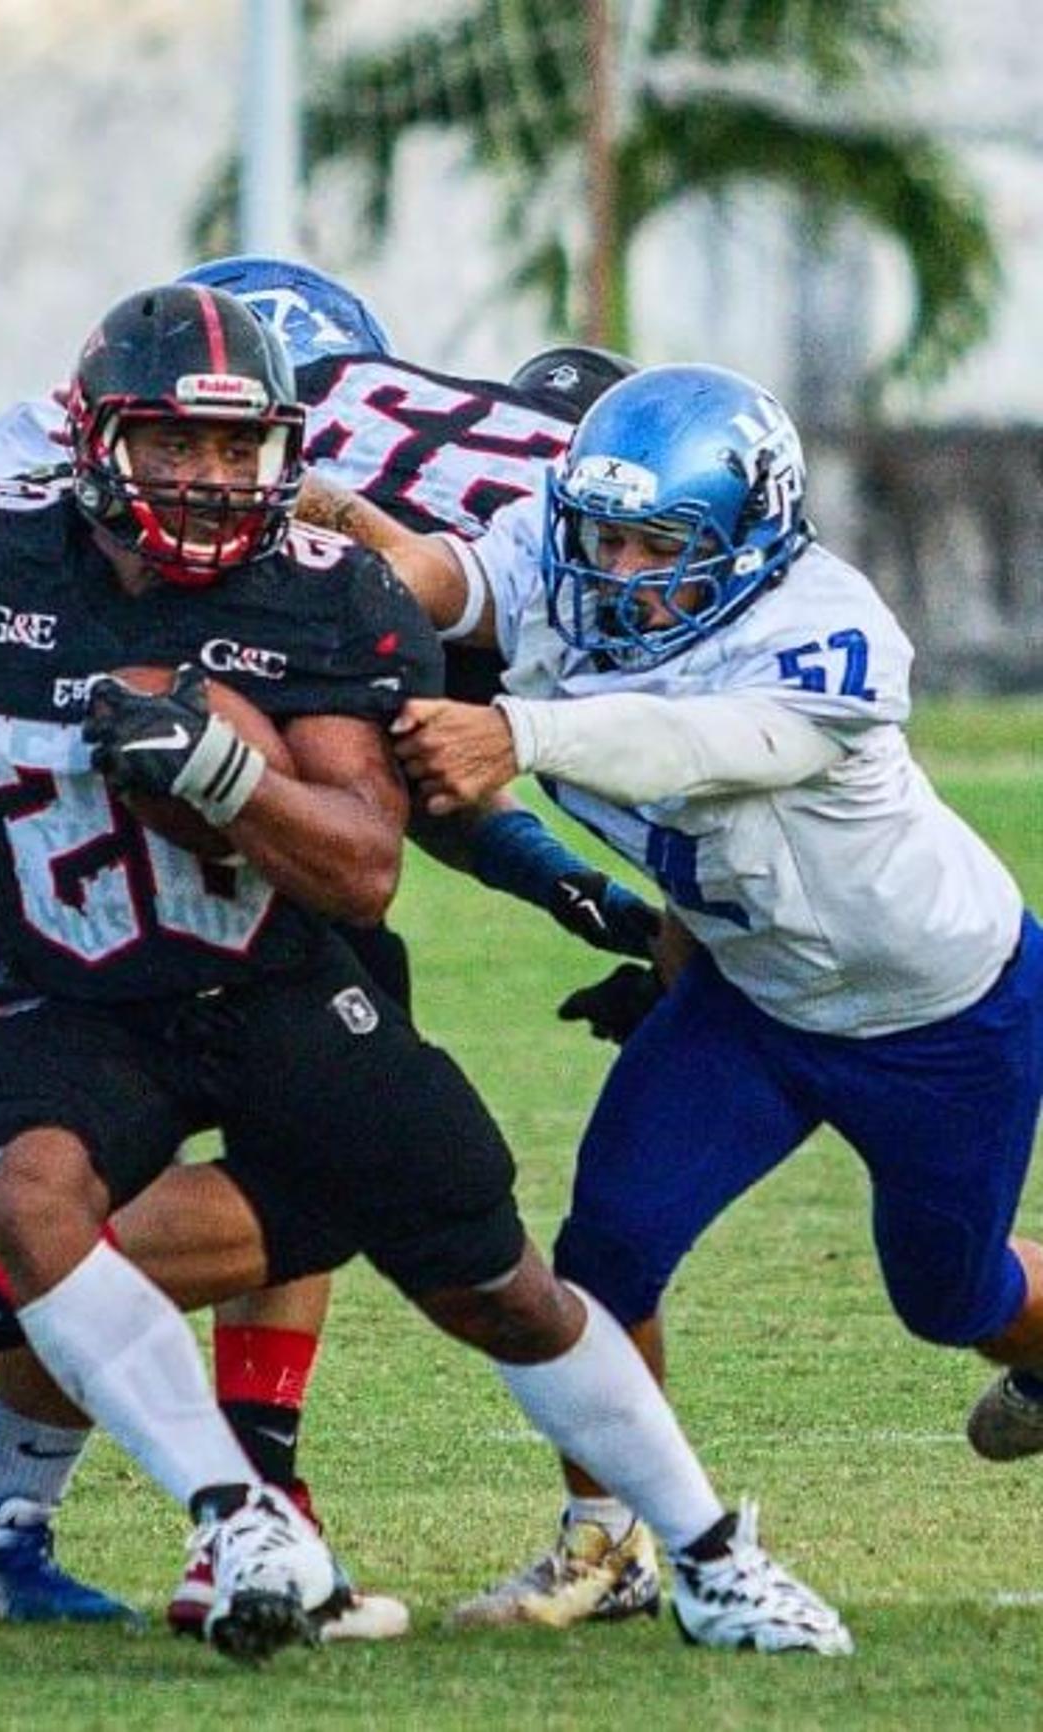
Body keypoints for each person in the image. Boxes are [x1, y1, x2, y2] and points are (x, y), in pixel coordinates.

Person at [0, 283, 849, 1663]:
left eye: (245, 447)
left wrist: (266, 783)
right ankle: (229, 1511)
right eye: (178, 443)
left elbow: (384, 833)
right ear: (89, 438)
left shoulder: (331, 583)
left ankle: (84, 1516)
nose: (215, 479)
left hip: (203, 962)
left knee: (448, 1259)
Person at [376, 360, 1043, 1628]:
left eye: (657, 543)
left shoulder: (828, 627)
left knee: (949, 1296)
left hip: (941, 1013)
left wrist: (522, 733)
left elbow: (697, 748)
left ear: (751, 537)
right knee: (603, 1256)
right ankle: (607, 1544)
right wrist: (363, 574)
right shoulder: (560, 557)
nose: (617, 569)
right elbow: (464, 580)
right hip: (748, 1001)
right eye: (603, 535)